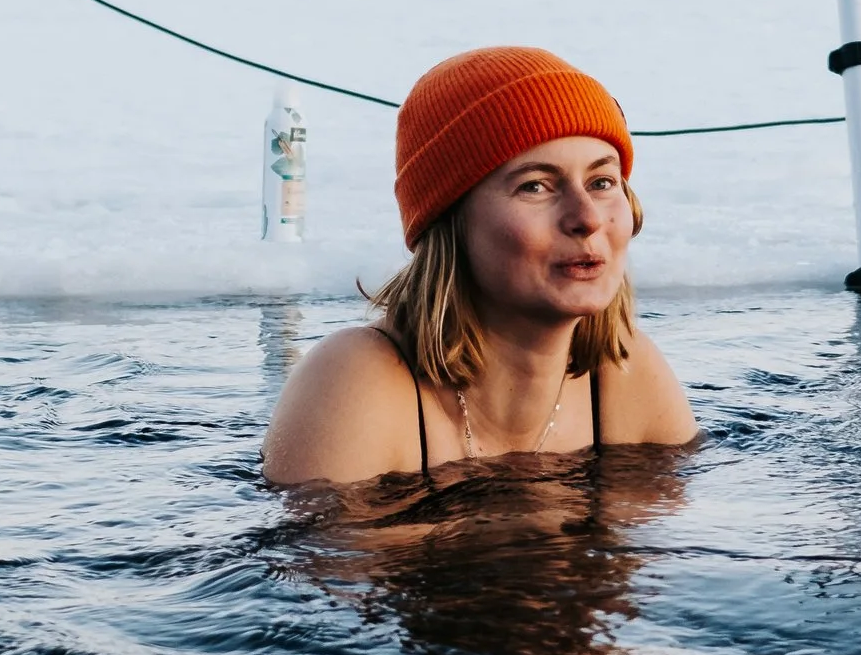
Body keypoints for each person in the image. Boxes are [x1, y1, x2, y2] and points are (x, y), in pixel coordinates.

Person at [263, 45, 699, 485]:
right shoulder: (357, 382)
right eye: (535, 186)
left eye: (602, 182)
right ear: (450, 222)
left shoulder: (623, 371)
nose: (586, 217)